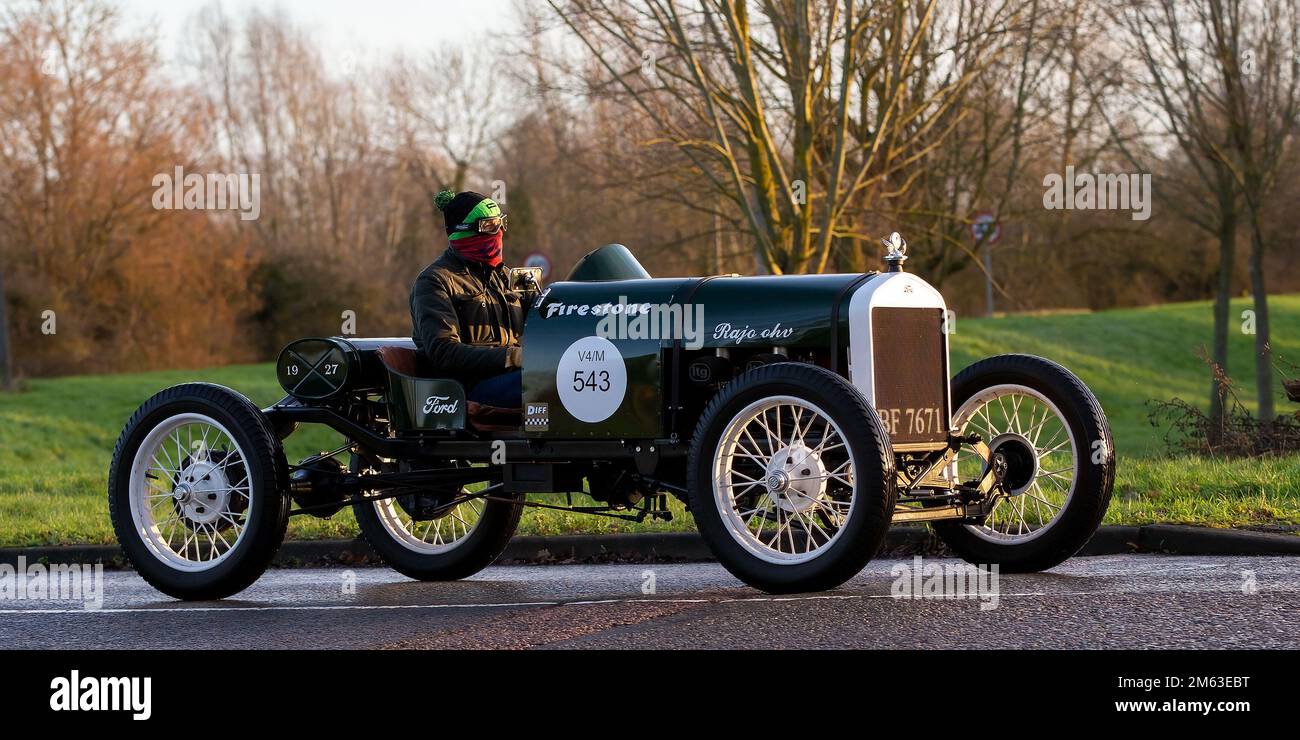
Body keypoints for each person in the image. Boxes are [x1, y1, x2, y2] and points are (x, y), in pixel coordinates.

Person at [410, 189, 526, 408]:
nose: (499, 232)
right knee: (548, 384)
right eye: (489, 226)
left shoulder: (504, 277)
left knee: (570, 374)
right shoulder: (435, 281)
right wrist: (512, 357)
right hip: (466, 390)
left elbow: (541, 324)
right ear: (463, 232)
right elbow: (444, 352)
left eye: (501, 223)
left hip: (510, 376)